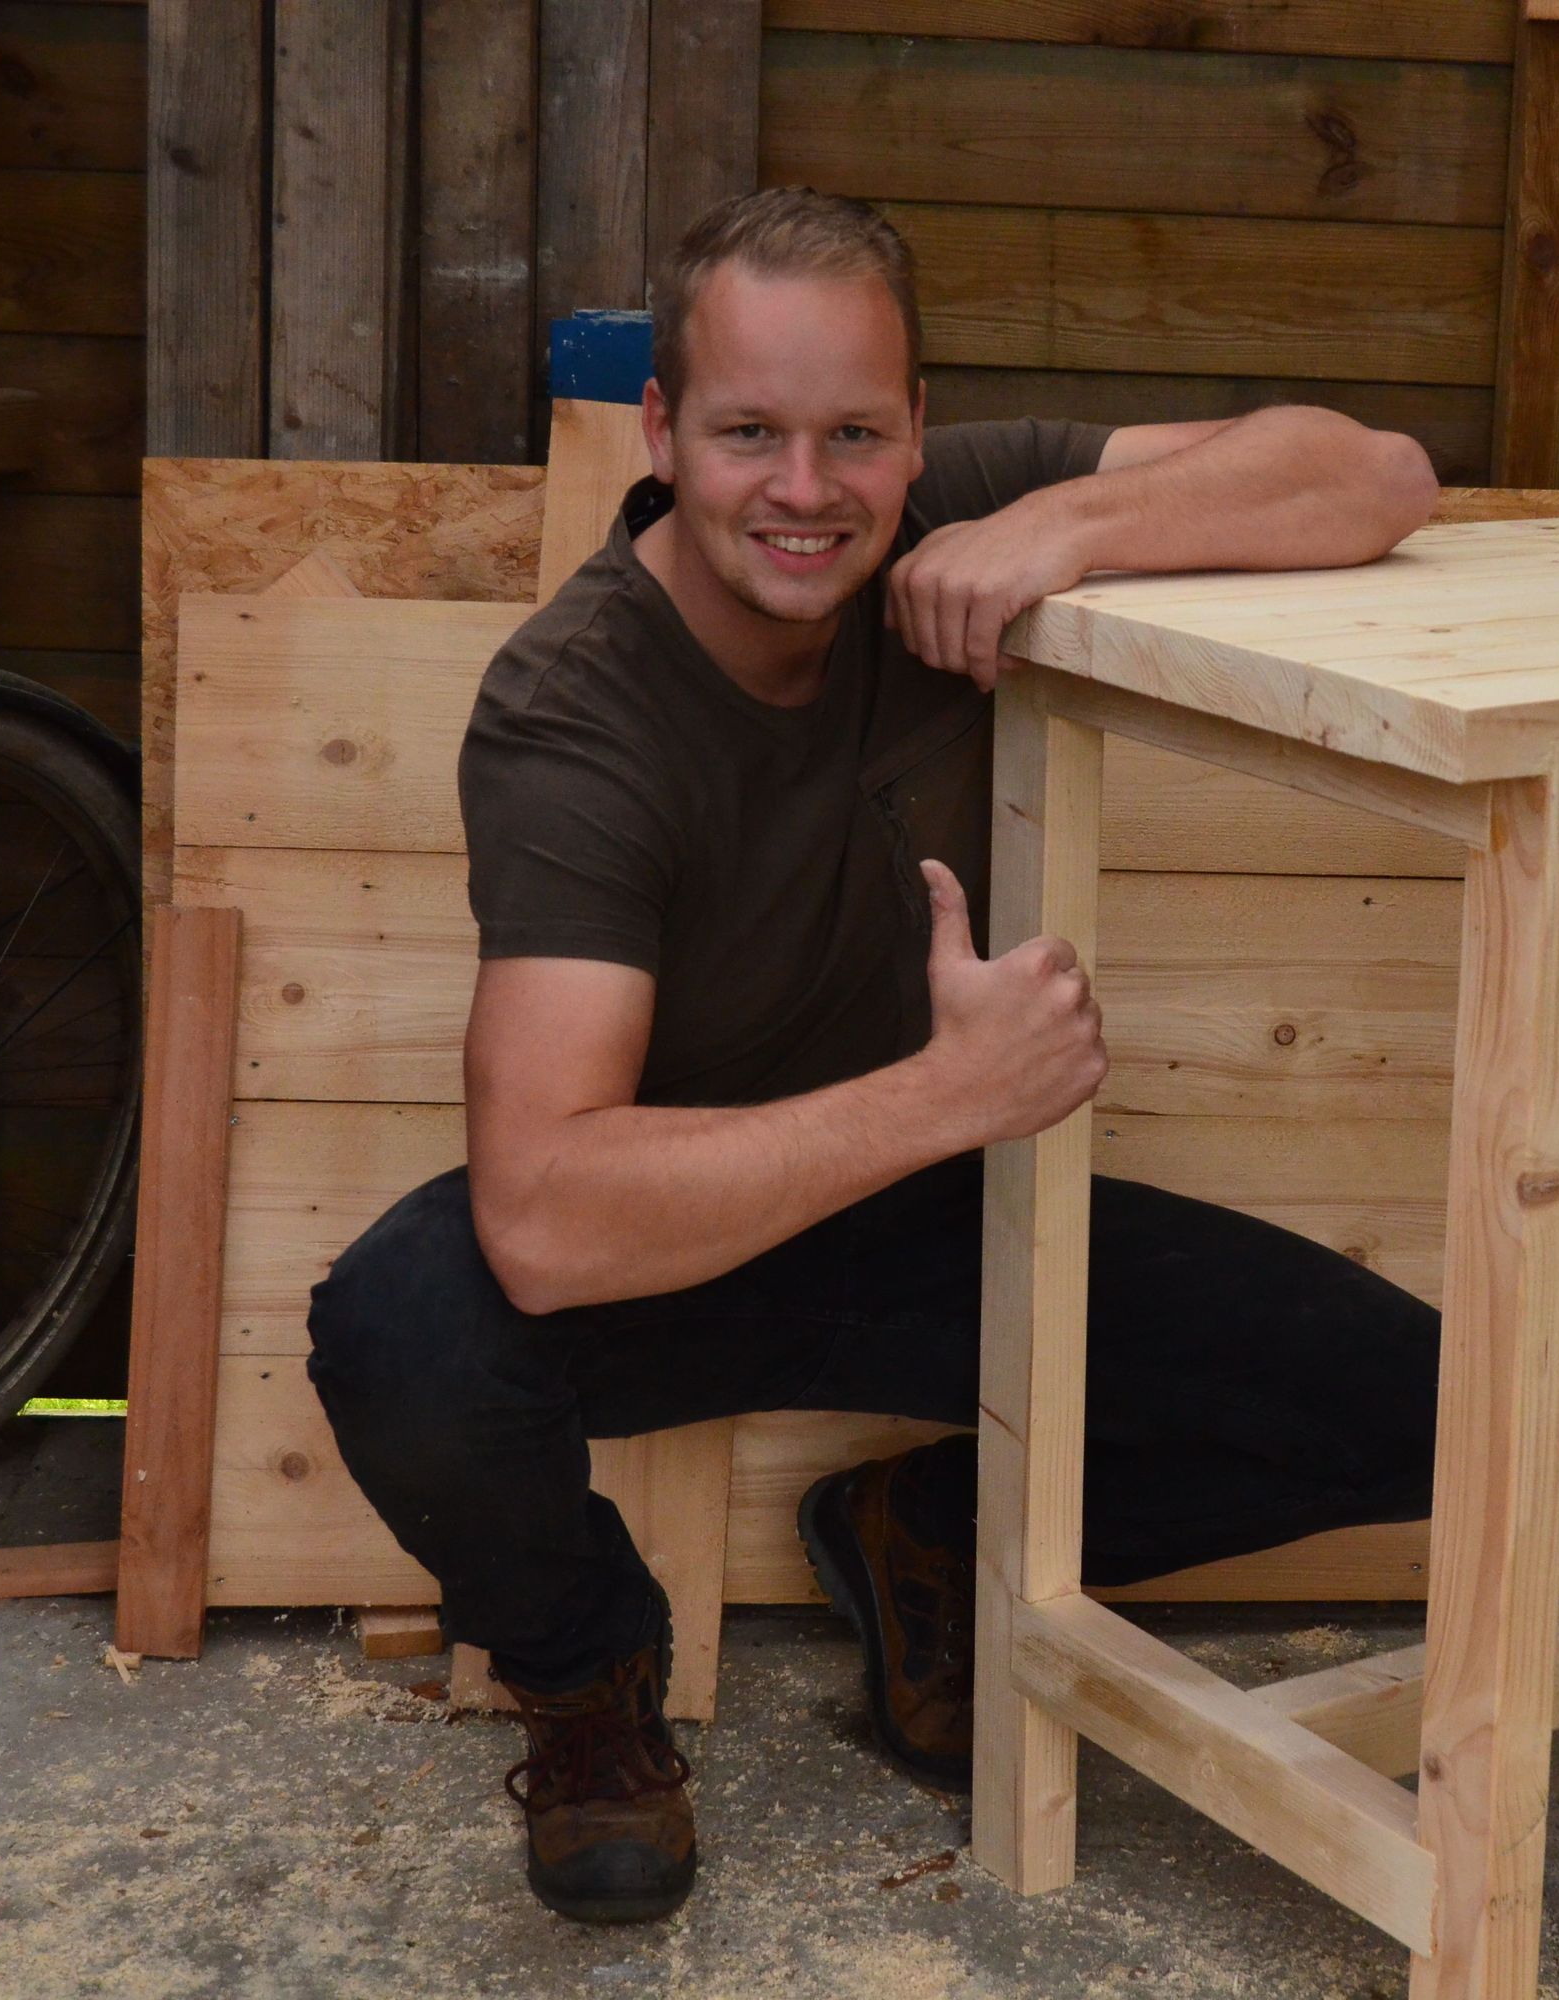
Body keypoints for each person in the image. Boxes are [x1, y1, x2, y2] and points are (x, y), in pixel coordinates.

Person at [305, 186, 1445, 1927]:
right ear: (661, 430)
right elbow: (540, 1215)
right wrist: (947, 1094)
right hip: (678, 1236)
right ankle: (588, 1679)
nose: (806, 488)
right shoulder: (575, 712)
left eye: (855, 435)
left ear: (917, 429)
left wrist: (1064, 524)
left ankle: (930, 1542)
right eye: (748, 433)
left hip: (934, 1217)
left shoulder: (950, 512)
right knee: (405, 1325)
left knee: (1421, 1411)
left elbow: (1374, 474)